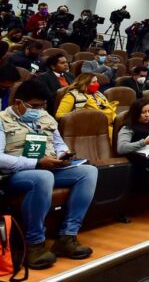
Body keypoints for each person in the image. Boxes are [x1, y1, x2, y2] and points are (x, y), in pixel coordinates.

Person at [1, 79, 97, 269]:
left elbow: (59, 143)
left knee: (88, 172)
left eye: (42, 105)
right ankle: (34, 244)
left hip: (48, 167)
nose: (39, 110)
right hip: (14, 174)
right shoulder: (1, 120)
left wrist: (63, 155)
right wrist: (36, 163)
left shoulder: (46, 117)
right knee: (44, 177)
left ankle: (67, 236)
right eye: (35, 106)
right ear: (18, 102)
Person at [55, 74, 118, 138]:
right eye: (94, 82)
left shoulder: (98, 94)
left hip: (108, 125)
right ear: (84, 83)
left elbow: (108, 108)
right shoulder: (72, 95)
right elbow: (59, 115)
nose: (97, 84)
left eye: (97, 81)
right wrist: (82, 116)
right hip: (88, 128)